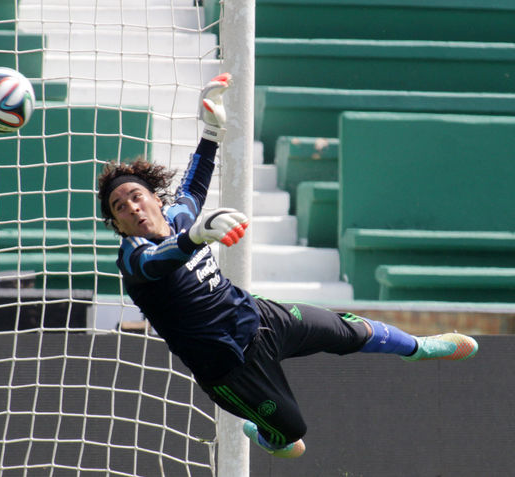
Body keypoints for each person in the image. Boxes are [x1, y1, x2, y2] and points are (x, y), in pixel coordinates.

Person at [96, 73, 478, 459]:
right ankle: (265, 434)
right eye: (119, 207)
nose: (131, 207)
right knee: (293, 438)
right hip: (230, 368)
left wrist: (212, 131)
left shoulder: (180, 215)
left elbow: (194, 186)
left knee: (347, 331)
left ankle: (418, 347)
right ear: (117, 224)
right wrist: (196, 236)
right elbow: (158, 262)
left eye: (135, 196)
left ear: (155, 199)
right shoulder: (132, 255)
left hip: (260, 316)